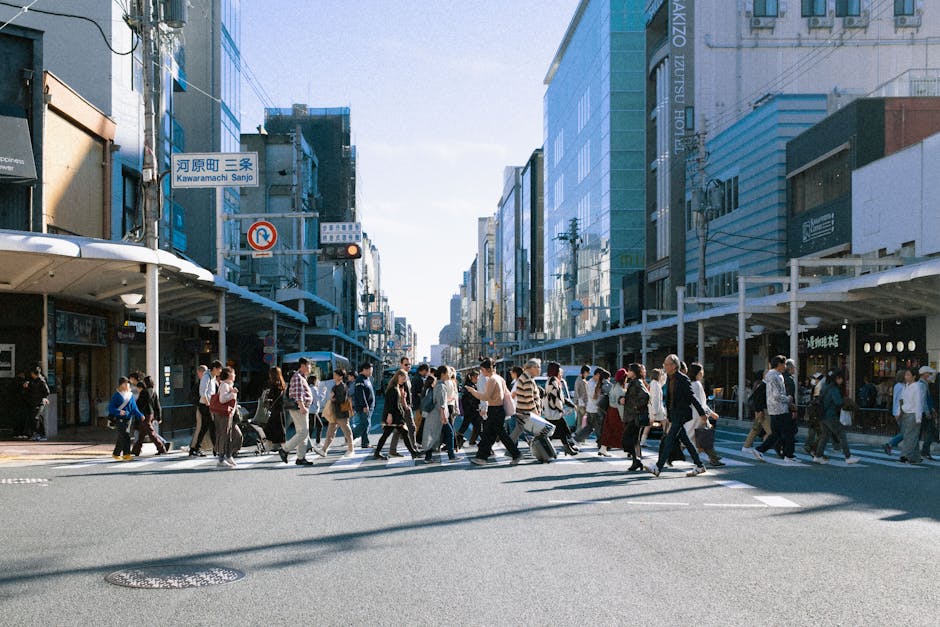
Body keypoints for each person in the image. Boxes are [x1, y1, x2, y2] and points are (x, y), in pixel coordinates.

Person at [645, 354, 709, 478]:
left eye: (667, 364)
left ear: (674, 366)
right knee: (686, 441)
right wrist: (668, 416)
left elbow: (692, 397)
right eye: (664, 364)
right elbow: (669, 399)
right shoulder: (670, 378)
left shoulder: (682, 379)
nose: (665, 366)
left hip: (681, 414)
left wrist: (702, 413)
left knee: (669, 439)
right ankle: (700, 465)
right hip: (674, 414)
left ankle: (658, 467)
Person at [466, 359, 522, 466]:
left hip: (494, 409)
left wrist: (473, 392)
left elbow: (486, 396)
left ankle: (515, 454)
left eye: (482, 370)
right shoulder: (500, 378)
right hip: (498, 409)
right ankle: (482, 457)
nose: (481, 372)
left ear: (487, 369)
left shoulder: (491, 380)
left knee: (496, 434)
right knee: (491, 434)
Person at [752, 356, 798, 463]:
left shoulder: (770, 375)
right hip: (780, 409)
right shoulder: (776, 376)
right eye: (784, 364)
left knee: (776, 434)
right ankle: (789, 455)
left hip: (773, 409)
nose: (785, 366)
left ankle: (760, 449)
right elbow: (777, 395)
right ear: (779, 364)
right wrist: (788, 399)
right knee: (789, 432)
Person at [813, 369, 859, 464]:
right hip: (831, 415)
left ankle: (818, 455)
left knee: (825, 436)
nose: (843, 380)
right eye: (842, 378)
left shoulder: (825, 386)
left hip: (822, 415)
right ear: (837, 378)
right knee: (842, 435)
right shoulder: (834, 389)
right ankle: (848, 457)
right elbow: (838, 402)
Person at [372, 370, 420, 460]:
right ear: (398, 376)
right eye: (403, 378)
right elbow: (390, 404)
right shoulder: (393, 388)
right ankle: (413, 452)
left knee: (389, 434)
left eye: (405, 378)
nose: (404, 380)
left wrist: (403, 397)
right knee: (398, 433)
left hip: (396, 415)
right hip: (393, 416)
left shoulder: (396, 387)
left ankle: (377, 452)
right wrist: (389, 416)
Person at [686, 363, 724, 467]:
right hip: (698, 416)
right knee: (697, 438)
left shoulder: (692, 383)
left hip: (696, 415)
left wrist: (711, 413)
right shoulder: (696, 385)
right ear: (698, 373)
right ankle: (670, 454)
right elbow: (700, 403)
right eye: (702, 371)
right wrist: (708, 414)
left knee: (702, 438)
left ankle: (714, 458)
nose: (703, 373)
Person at [278, 358, 314, 465]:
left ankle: (300, 457)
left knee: (302, 433)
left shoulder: (302, 377)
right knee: (303, 432)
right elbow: (298, 394)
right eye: (308, 366)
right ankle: (285, 449)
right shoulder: (298, 377)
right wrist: (302, 406)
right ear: (302, 366)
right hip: (299, 408)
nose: (310, 368)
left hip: (301, 408)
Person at [421, 365, 456, 462]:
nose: (450, 374)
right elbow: (441, 403)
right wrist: (443, 416)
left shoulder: (438, 384)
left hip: (434, 414)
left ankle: (428, 457)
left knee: (433, 435)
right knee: (449, 433)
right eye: (448, 372)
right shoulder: (441, 386)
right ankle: (451, 456)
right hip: (439, 415)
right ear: (443, 374)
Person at [543, 362, 578, 455]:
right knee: (562, 430)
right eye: (559, 370)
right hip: (554, 411)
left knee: (561, 431)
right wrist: (561, 408)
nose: (560, 372)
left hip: (551, 410)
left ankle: (567, 448)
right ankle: (566, 448)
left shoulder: (550, 380)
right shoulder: (554, 381)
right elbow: (557, 397)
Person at [320, 369, 355, 457]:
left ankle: (351, 450)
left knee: (347, 431)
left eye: (335, 375)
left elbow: (342, 400)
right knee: (330, 432)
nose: (334, 376)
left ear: (341, 377)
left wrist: (332, 398)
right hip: (335, 412)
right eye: (334, 374)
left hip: (342, 412)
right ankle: (324, 450)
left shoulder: (343, 387)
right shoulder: (335, 386)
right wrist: (332, 397)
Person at [211, 367, 241, 468]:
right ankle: (221, 459)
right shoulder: (225, 385)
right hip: (223, 414)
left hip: (227, 414)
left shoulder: (228, 385)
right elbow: (222, 399)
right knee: (224, 435)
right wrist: (233, 394)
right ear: (229, 374)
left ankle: (228, 456)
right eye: (233, 373)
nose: (235, 375)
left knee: (228, 435)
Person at [622, 363, 650, 471]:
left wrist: (635, 406)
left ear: (634, 372)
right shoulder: (633, 382)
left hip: (635, 416)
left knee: (627, 439)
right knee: (632, 439)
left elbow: (646, 395)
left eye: (629, 371)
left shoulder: (637, 382)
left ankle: (636, 461)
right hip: (631, 415)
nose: (627, 373)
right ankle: (636, 461)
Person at [574, 368, 611, 448]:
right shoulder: (592, 384)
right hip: (593, 409)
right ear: (597, 375)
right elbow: (593, 397)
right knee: (598, 427)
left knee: (590, 427)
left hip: (592, 408)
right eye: (601, 376)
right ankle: (602, 445)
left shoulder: (594, 383)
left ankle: (576, 439)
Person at [191, 360, 221, 457]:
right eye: (219, 369)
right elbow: (202, 392)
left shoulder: (213, 377)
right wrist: (208, 403)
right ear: (215, 369)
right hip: (205, 405)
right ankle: (215, 449)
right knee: (211, 426)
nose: (220, 371)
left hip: (209, 405)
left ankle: (197, 448)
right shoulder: (206, 376)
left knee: (206, 427)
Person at [131, 376, 168, 456]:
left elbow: (139, 404)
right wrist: (159, 417)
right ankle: (136, 450)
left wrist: (136, 412)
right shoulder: (153, 392)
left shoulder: (144, 392)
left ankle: (161, 447)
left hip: (144, 414)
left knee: (150, 432)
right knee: (142, 432)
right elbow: (157, 405)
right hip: (151, 414)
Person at [108, 377, 143, 461]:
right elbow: (110, 407)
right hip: (119, 419)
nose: (128, 385)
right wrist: (118, 411)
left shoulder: (130, 395)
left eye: (128, 383)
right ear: (122, 384)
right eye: (126, 383)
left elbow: (134, 408)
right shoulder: (116, 395)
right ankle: (125, 454)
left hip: (128, 419)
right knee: (125, 435)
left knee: (124, 436)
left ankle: (119, 454)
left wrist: (140, 415)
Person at [896, 367, 924, 464]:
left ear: (914, 377)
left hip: (913, 413)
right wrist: (899, 411)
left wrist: (918, 417)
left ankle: (905, 456)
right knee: (912, 436)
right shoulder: (906, 386)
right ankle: (915, 457)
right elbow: (902, 400)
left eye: (908, 375)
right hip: (906, 413)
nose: (906, 376)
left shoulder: (916, 387)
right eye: (905, 374)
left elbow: (918, 403)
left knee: (909, 436)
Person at [598, 368, 626, 457]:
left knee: (608, 430)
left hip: (610, 410)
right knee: (621, 431)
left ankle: (603, 448)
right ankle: (630, 450)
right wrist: (623, 417)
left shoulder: (614, 386)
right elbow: (620, 406)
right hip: (616, 412)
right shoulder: (620, 390)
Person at [741, 371, 769, 453]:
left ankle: (746, 446)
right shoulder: (763, 385)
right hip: (761, 411)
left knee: (755, 429)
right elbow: (758, 399)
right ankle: (762, 448)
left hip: (759, 410)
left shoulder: (761, 385)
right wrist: (759, 410)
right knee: (771, 432)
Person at [261, 366, 288, 453]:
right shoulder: (282, 384)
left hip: (273, 410)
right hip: (280, 410)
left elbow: (270, 397)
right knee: (280, 429)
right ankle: (283, 446)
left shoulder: (272, 385)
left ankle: (269, 446)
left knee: (269, 428)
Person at [456, 369, 483, 449]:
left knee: (473, 426)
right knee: (475, 426)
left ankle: (469, 440)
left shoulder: (470, 385)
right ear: (472, 377)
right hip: (472, 410)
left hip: (470, 410)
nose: (478, 380)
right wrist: (478, 405)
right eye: (477, 378)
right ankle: (458, 440)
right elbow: (472, 399)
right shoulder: (470, 386)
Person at [351, 362, 376, 449]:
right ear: (364, 370)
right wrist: (365, 405)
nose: (371, 372)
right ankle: (351, 436)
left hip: (369, 406)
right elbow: (360, 394)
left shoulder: (367, 379)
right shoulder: (360, 380)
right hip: (364, 407)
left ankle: (365, 443)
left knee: (366, 425)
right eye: (370, 370)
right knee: (365, 423)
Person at [25, 364, 50, 441]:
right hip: (34, 401)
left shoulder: (41, 381)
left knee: (35, 417)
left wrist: (44, 398)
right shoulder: (33, 381)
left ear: (33, 373)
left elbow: (47, 391)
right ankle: (42, 434)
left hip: (40, 402)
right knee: (39, 418)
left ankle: (36, 434)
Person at [917, 366, 937, 461]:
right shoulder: (922, 385)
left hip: (923, 412)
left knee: (921, 432)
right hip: (923, 413)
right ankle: (923, 451)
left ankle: (921, 451)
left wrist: (931, 409)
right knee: (930, 431)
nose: (930, 376)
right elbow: (923, 400)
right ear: (924, 374)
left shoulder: (924, 384)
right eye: (928, 374)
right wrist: (927, 412)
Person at [574, 365, 590, 432]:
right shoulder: (579, 380)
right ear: (585, 372)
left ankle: (579, 437)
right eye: (588, 372)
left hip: (582, 403)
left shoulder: (582, 379)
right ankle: (579, 437)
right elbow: (578, 392)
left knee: (581, 421)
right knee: (582, 421)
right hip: (581, 404)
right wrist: (580, 403)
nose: (589, 374)